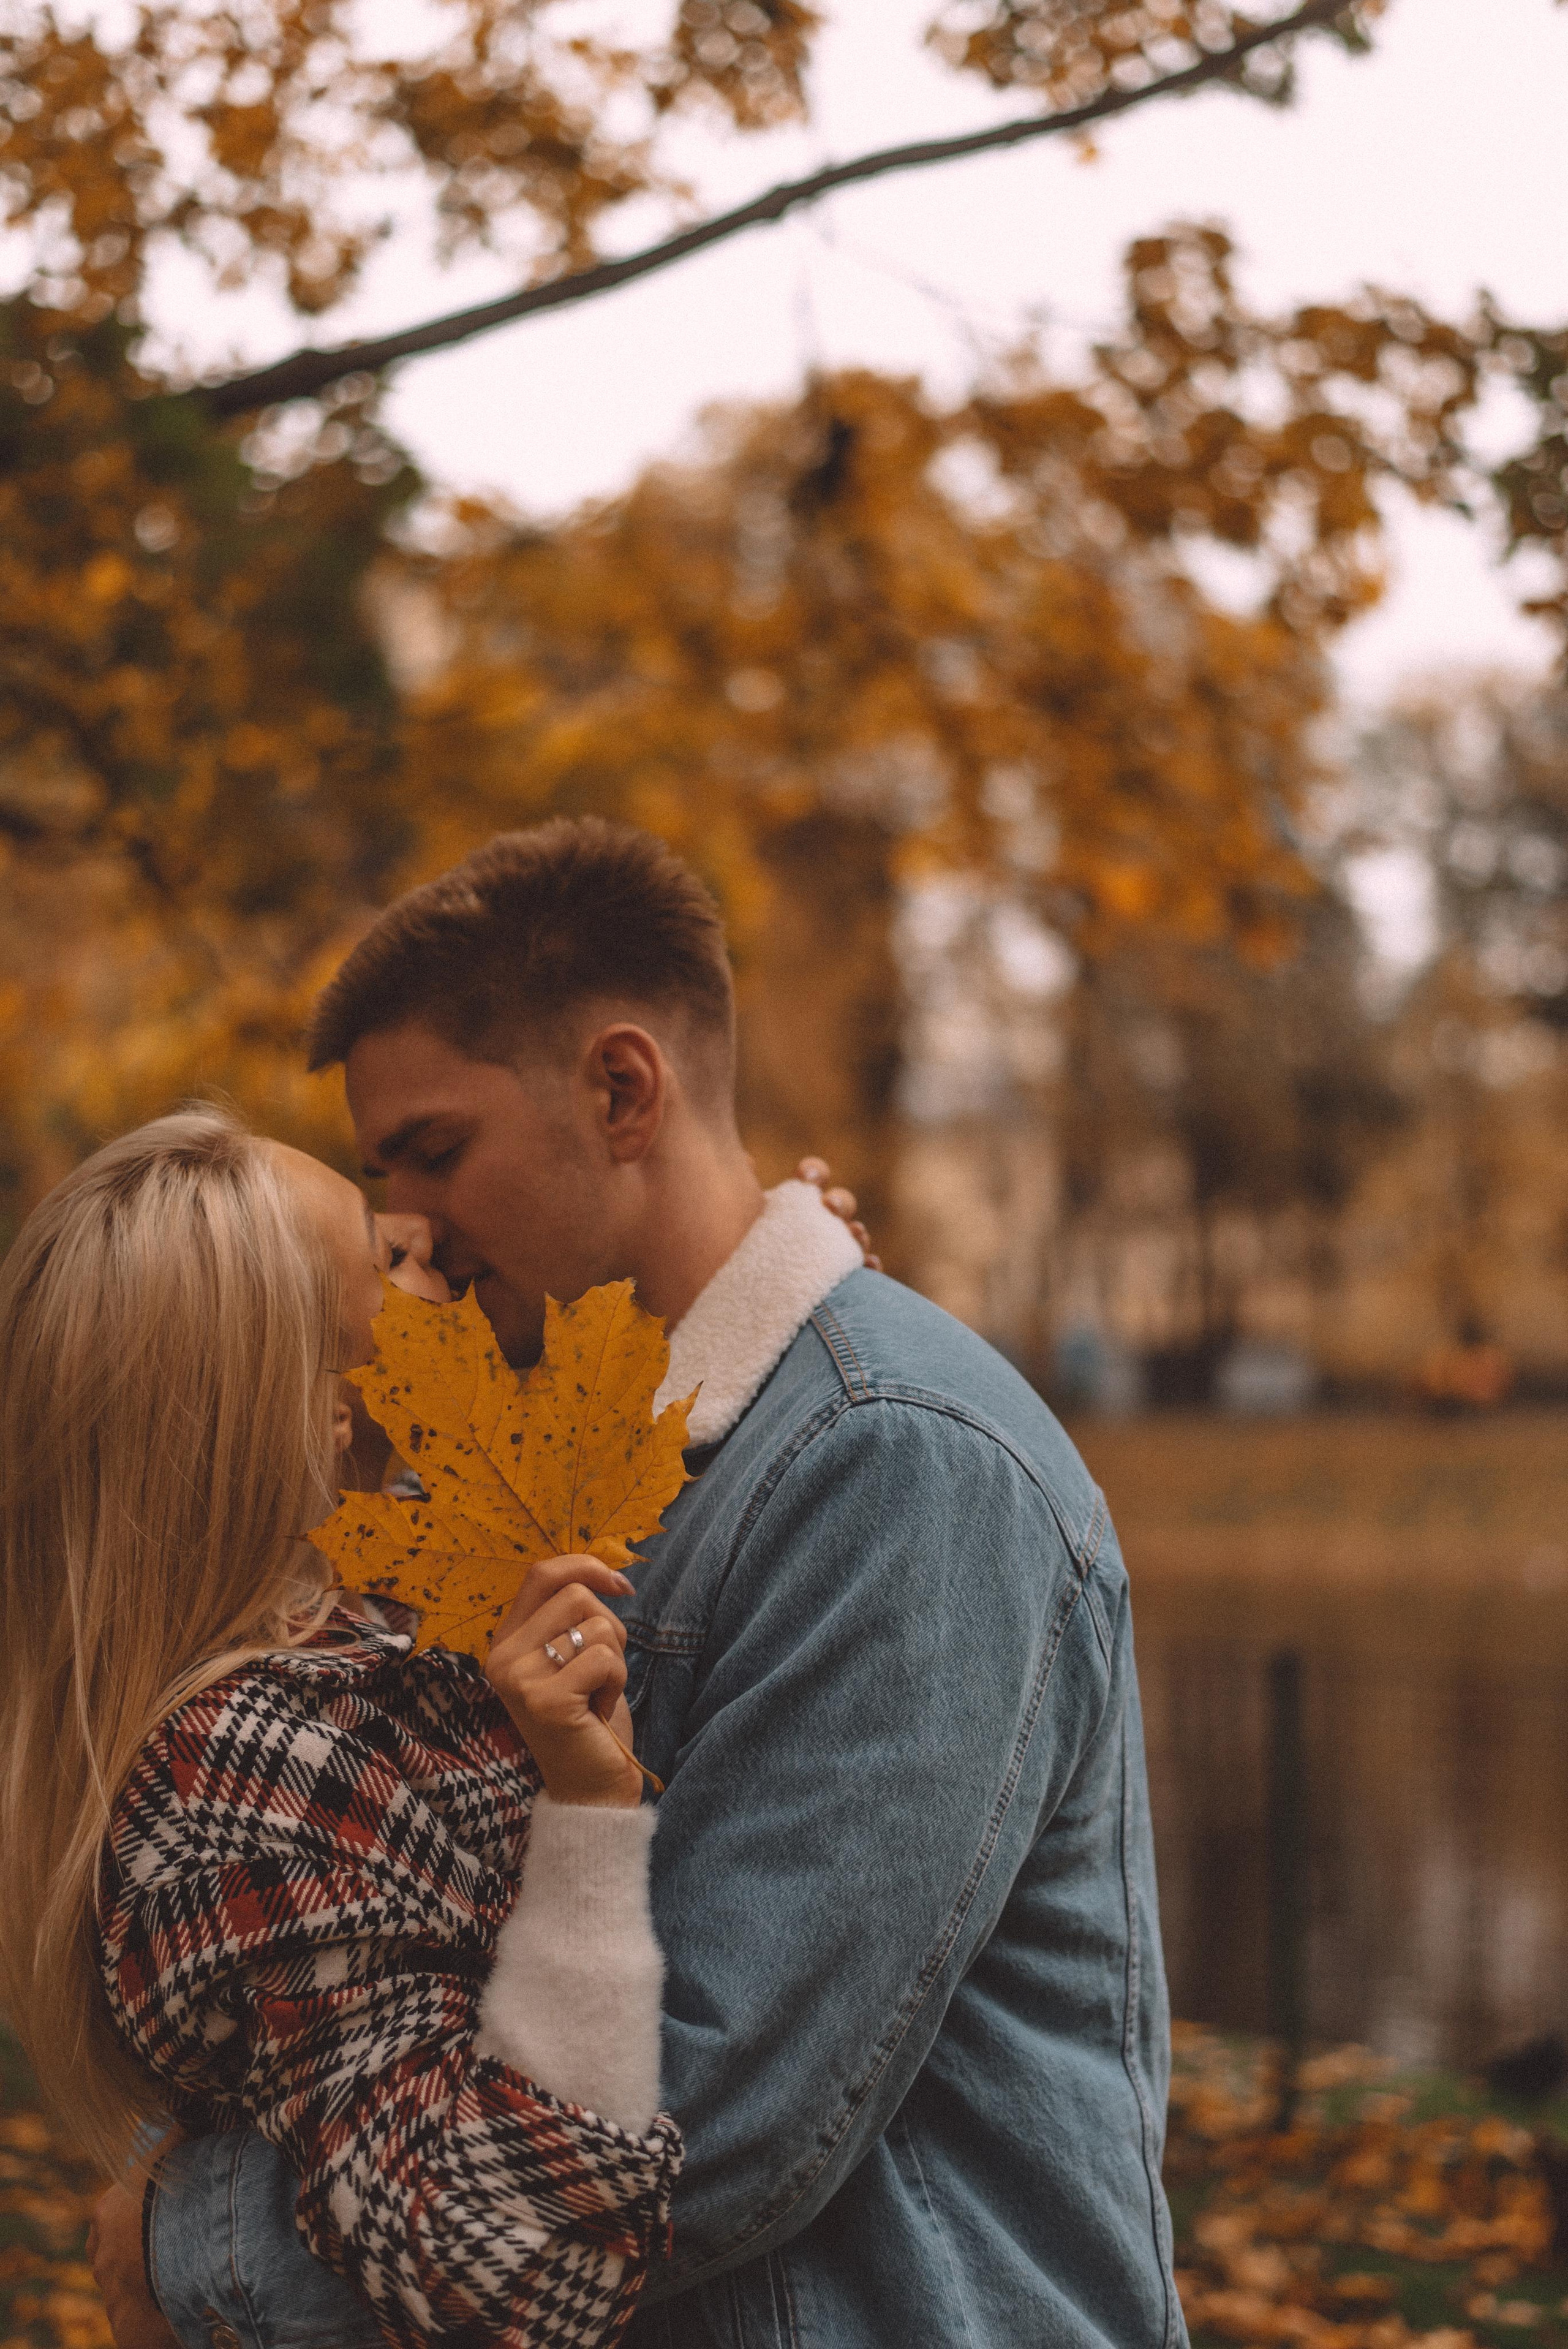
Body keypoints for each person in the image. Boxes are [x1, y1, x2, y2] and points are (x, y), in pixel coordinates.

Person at [95, 817, 1186, 2348]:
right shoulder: (566, 1446)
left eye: (437, 1151)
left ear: (621, 1091)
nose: (408, 1225)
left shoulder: (893, 1465)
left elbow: (712, 2122)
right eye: (382, 1176)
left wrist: (199, 2238)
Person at [0, 1111, 684, 2349]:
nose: (428, 1242)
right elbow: (516, 2268)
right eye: (387, 1259)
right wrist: (589, 1819)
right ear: (317, 1409)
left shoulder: (384, 1605)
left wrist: (774, 1273)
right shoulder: (245, 1769)